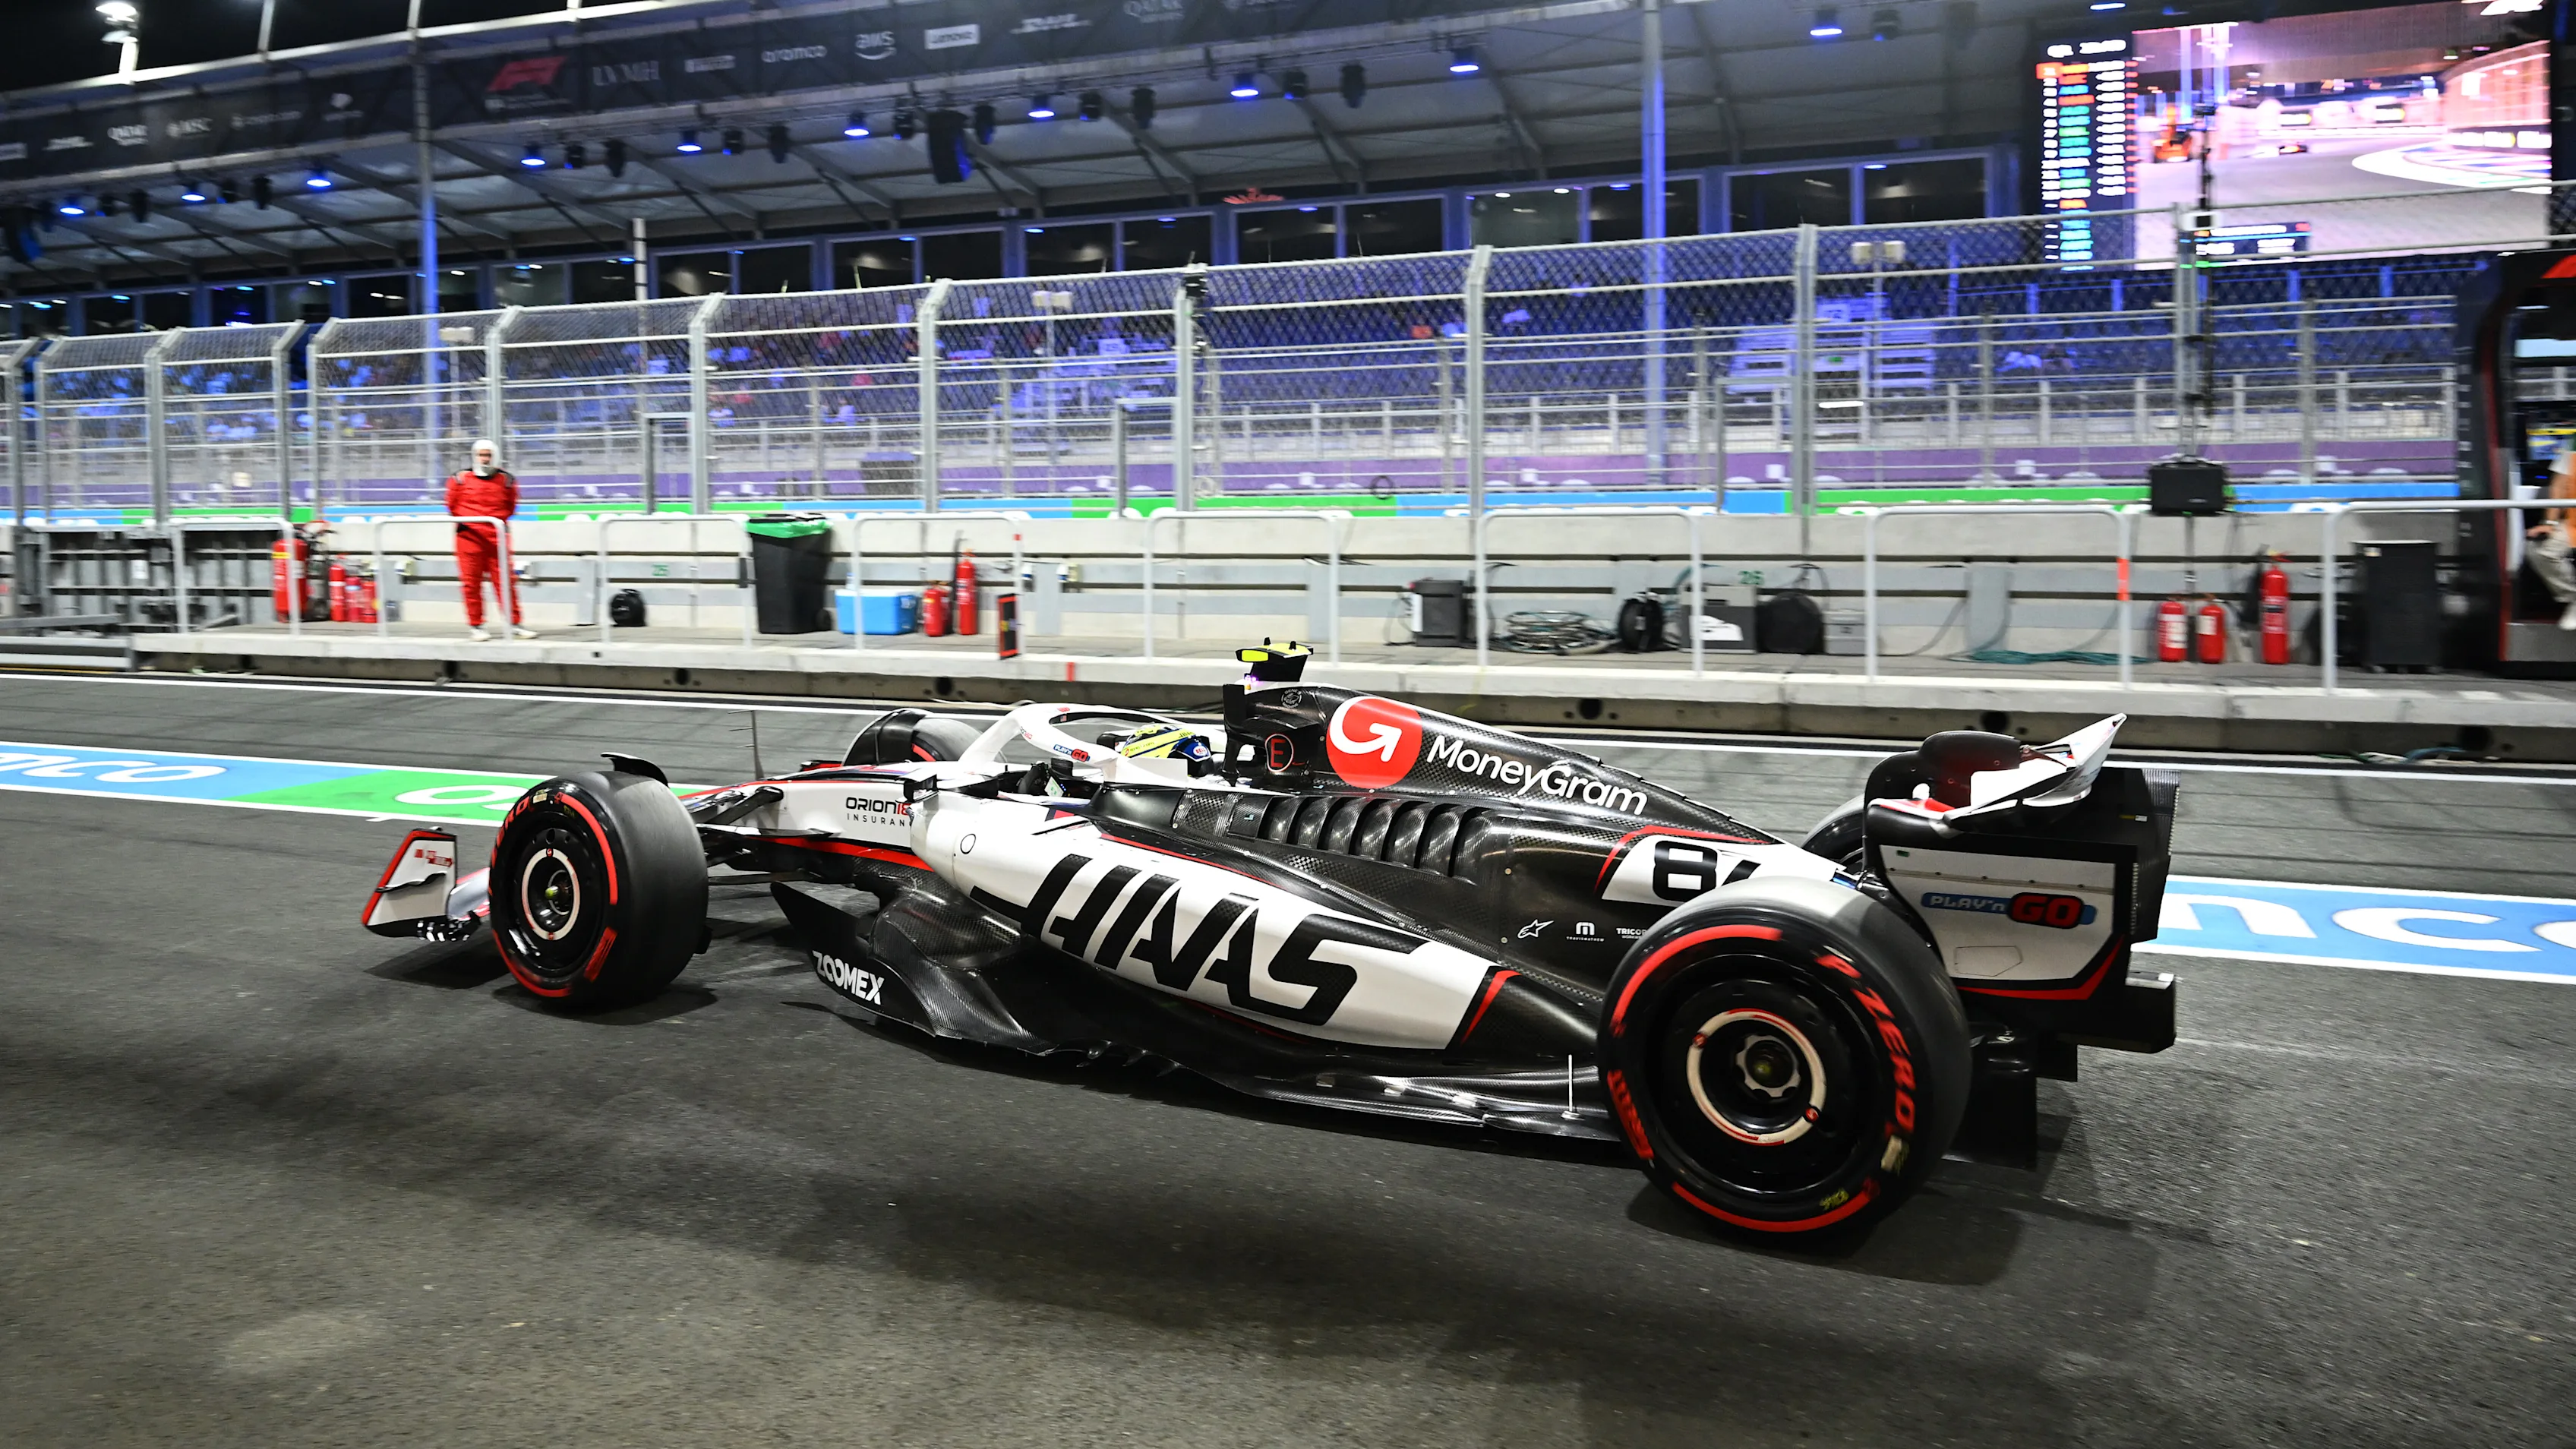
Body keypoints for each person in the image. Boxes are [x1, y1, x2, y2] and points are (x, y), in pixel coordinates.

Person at [447, 438, 535, 641]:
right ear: (474, 456)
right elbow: (452, 505)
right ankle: (477, 626)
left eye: (488, 455)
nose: (484, 459)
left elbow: (511, 507)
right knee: (471, 583)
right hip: (469, 538)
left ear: (494, 456)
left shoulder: (507, 480)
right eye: (481, 455)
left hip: (497, 538)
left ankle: (514, 623)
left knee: (505, 582)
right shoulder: (459, 479)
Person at [2536, 449, 2576, 631]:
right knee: (2543, 552)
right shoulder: (2571, 450)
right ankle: (2573, 598)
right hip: (2572, 525)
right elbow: (2558, 487)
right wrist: (2550, 523)